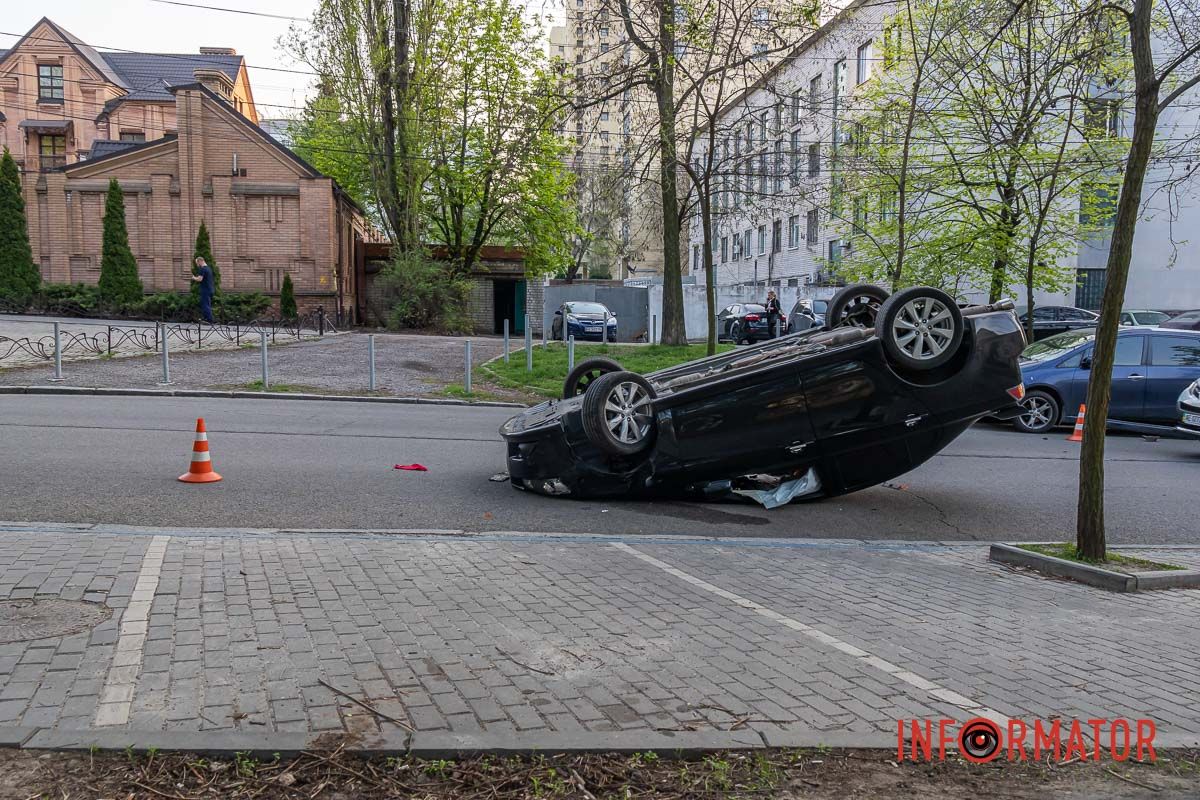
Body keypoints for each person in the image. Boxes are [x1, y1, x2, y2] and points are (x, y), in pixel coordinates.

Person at [191, 257, 215, 323]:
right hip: (210, 289)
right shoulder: (209, 268)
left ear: (200, 261)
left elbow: (200, 279)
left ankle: (209, 320)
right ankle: (207, 319)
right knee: (208, 304)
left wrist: (193, 277)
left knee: (205, 305)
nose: (197, 265)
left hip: (205, 290)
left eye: (197, 263)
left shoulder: (203, 269)